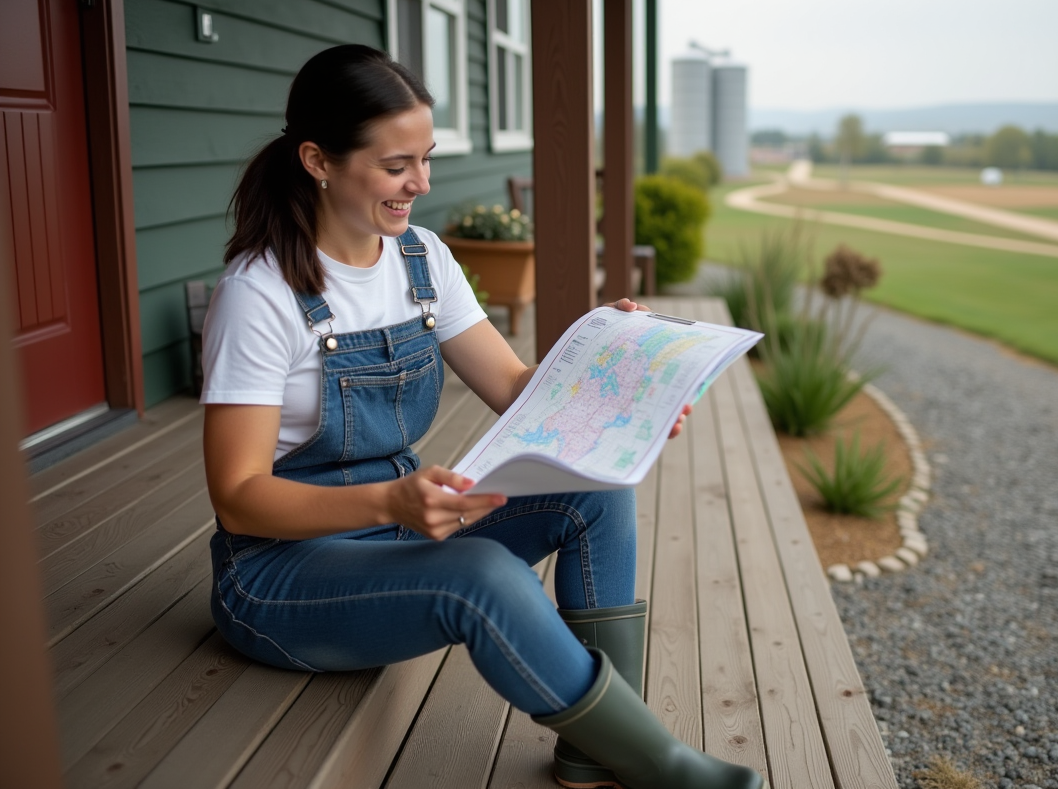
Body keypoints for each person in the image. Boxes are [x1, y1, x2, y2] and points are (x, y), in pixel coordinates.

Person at [201, 45, 761, 789]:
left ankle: (597, 748)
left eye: (426, 159)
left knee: (595, 489)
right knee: (482, 571)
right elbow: (237, 497)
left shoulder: (421, 258)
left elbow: (516, 385)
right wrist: (388, 499)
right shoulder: (259, 294)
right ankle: (657, 764)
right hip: (279, 576)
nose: (421, 184)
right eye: (397, 164)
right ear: (318, 160)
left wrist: (621, 376)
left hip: (398, 527)